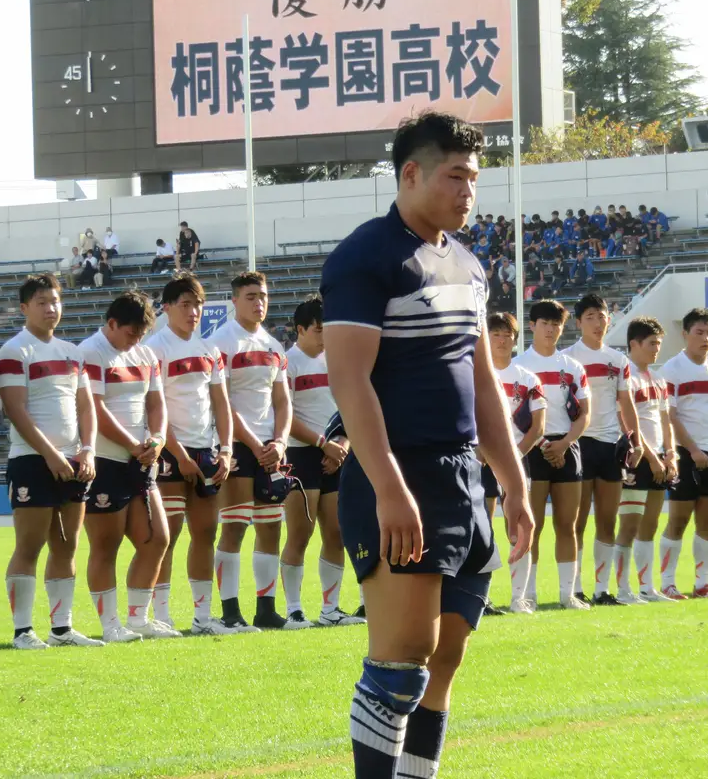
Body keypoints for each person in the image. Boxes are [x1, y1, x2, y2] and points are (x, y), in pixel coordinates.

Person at [320, 112, 533, 779]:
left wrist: (515, 482)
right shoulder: (366, 256)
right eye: (455, 175)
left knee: (445, 660)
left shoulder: (468, 266)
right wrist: (389, 487)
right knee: (402, 657)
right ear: (410, 174)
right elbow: (349, 381)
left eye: (474, 178)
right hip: (400, 474)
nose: (468, 190)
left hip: (463, 478)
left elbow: (482, 378)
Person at [0, 273, 102, 649]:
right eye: (41, 302)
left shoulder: (73, 353)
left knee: (67, 545)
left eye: (55, 301)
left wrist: (87, 449)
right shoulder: (14, 351)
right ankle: (23, 631)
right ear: (25, 308)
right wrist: (51, 454)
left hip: (74, 461)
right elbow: (15, 410)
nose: (50, 308)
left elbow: (86, 407)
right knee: (29, 545)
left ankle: (62, 629)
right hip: (32, 461)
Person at [79, 291, 178, 641]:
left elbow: (156, 402)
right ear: (112, 324)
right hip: (106, 460)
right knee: (106, 545)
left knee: (157, 538)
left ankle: (138, 619)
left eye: (140, 335)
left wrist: (157, 438)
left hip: (140, 459)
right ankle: (110, 626)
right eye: (131, 333)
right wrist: (132, 445)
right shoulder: (91, 352)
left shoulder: (146, 354)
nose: (135, 341)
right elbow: (94, 408)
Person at [145, 276, 237, 636]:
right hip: (169, 451)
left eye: (198, 304)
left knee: (206, 532)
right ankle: (163, 616)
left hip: (205, 450)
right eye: (185, 304)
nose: (193, 311)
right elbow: (154, 407)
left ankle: (202, 617)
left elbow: (221, 404)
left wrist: (226, 449)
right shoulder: (156, 349)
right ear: (166, 307)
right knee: (168, 534)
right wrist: (177, 452)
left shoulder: (209, 351)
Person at [211, 271, 292, 631]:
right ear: (234, 300)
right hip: (239, 447)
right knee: (235, 526)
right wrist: (255, 444)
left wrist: (280, 442)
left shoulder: (274, 346)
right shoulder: (222, 343)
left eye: (262, 295)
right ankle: (230, 612)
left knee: (271, 529)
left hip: (270, 449)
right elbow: (222, 401)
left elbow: (283, 400)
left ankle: (266, 608)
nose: (258, 302)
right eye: (250, 296)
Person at [283, 296, 364, 629]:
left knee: (336, 532)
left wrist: (342, 444)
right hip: (301, 454)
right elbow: (282, 414)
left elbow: (352, 406)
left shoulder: (338, 361)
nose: (324, 335)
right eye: (318, 329)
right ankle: (293, 609)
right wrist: (322, 444)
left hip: (336, 454)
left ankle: (330, 609)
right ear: (300, 330)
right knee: (301, 533)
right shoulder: (288, 362)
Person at [514, 299, 592, 610]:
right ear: (532, 326)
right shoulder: (521, 366)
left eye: (556, 324)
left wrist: (564, 443)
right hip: (532, 447)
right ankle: (526, 594)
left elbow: (585, 413)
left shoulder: (572, 367)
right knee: (531, 523)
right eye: (545, 323)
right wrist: (545, 444)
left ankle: (566, 594)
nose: (551, 329)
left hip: (567, 446)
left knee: (567, 523)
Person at [657, 308, 708, 599]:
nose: (705, 339)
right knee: (678, 519)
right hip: (685, 453)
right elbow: (670, 416)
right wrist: (691, 450)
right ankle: (667, 583)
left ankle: (702, 583)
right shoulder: (671, 370)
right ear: (685, 334)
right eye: (699, 333)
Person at [565, 294, 638, 606]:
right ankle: (575, 588)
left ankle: (602, 589)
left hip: (610, 445)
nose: (598, 322)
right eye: (591, 316)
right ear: (579, 322)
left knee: (608, 520)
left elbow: (626, 403)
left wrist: (636, 441)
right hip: (580, 444)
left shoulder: (619, 360)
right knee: (577, 522)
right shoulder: (568, 358)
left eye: (602, 316)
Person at [486, 311, 546, 614]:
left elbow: (538, 426)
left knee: (518, 528)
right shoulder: (475, 373)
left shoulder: (527, 379)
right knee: (480, 527)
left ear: (515, 338)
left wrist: (513, 455)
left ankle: (518, 597)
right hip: (478, 461)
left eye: (506, 334)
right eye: (495, 333)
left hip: (517, 461)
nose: (501, 339)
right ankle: (480, 596)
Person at [617, 317, 677, 604]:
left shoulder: (659, 379)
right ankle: (621, 588)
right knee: (629, 525)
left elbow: (666, 421)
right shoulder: (625, 376)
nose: (657, 349)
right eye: (652, 343)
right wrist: (652, 456)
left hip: (659, 459)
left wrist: (671, 454)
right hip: (637, 457)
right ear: (634, 344)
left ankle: (646, 587)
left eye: (659, 344)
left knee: (650, 524)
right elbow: (628, 421)